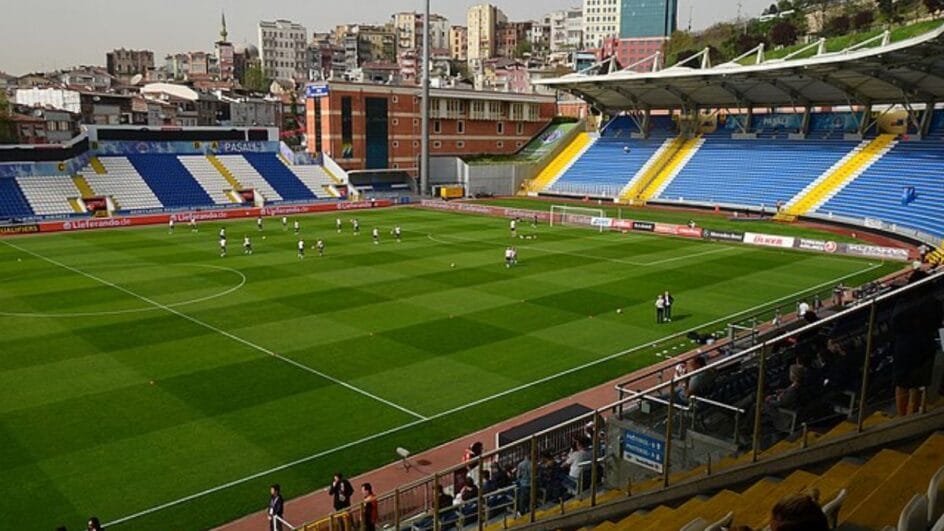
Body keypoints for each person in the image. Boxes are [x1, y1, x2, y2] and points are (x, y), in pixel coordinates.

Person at [892, 270, 943, 416]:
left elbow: (895, 325)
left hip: (906, 346)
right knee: (917, 382)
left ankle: (903, 417)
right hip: (923, 345)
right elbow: (937, 323)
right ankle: (912, 414)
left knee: (904, 383)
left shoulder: (903, 303)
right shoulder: (933, 303)